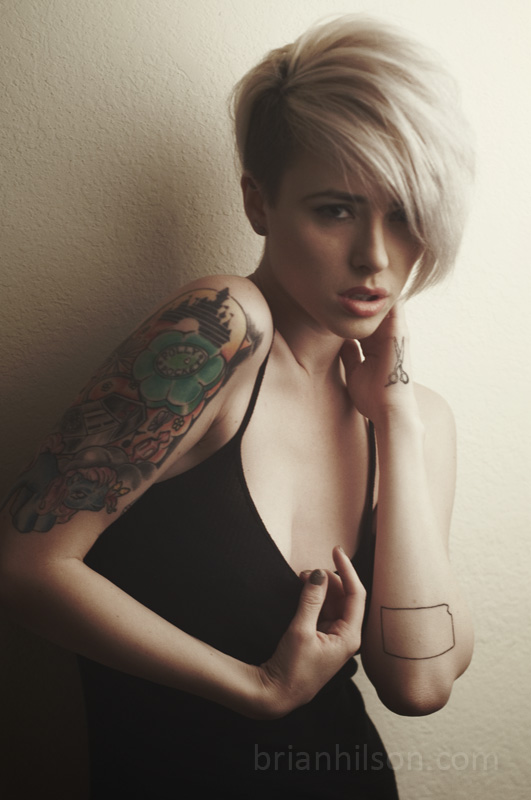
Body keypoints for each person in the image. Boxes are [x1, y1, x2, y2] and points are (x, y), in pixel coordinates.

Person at [0, 15, 475, 799]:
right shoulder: (219, 329)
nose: (375, 257)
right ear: (258, 202)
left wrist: (395, 419)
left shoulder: (419, 418)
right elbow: (24, 568)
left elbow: (417, 685)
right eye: (335, 209)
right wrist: (254, 688)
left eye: (403, 212)